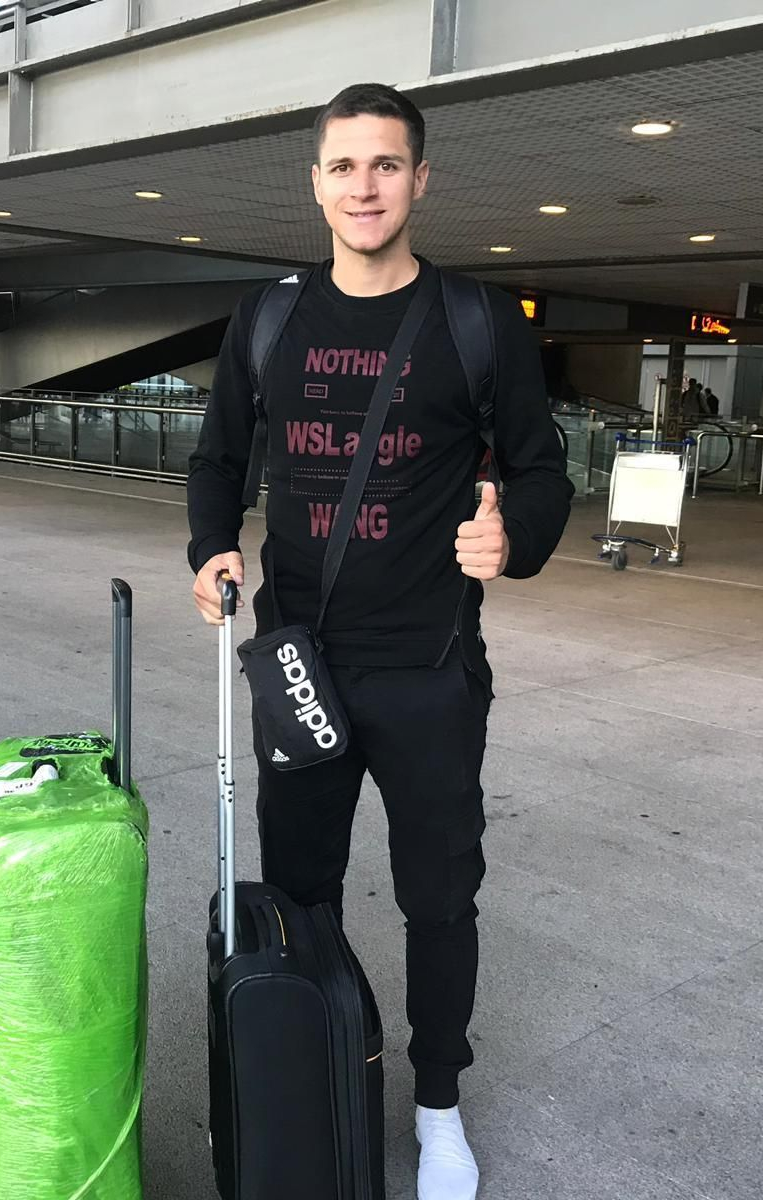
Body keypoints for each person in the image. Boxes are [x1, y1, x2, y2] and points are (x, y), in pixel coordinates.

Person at [186, 82, 573, 1200]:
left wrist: (517, 536)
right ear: (315, 181)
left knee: (437, 898)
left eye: (386, 165)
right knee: (299, 891)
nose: (365, 186)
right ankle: (300, 1082)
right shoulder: (266, 318)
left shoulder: (477, 319)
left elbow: (541, 469)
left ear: (420, 179)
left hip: (428, 671)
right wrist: (212, 549)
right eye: (344, 167)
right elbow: (220, 459)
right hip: (299, 663)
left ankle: (438, 1105)